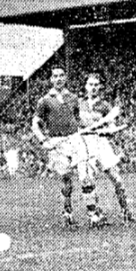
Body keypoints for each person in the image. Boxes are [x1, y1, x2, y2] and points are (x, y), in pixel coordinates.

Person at [32, 67, 106, 227]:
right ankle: (68, 212)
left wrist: (97, 127)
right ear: (51, 79)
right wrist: (43, 140)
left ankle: (93, 214)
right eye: (55, 76)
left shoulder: (73, 98)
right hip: (57, 143)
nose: (58, 78)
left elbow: (78, 120)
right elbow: (35, 124)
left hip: (75, 140)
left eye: (61, 75)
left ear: (65, 78)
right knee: (66, 179)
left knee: (85, 176)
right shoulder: (44, 100)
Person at [79, 73, 134, 222]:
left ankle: (126, 212)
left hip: (101, 143)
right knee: (88, 181)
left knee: (116, 179)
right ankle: (95, 214)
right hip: (85, 144)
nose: (93, 87)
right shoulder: (79, 104)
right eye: (90, 84)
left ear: (100, 87)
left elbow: (112, 126)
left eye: (96, 85)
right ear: (86, 86)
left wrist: (108, 130)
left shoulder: (105, 105)